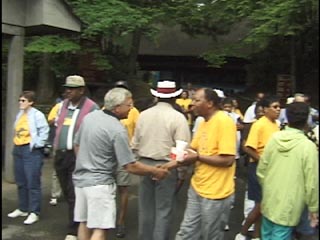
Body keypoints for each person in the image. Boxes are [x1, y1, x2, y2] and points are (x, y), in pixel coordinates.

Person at [72, 87, 169, 240]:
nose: (131, 108)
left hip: (81, 180)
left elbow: (76, 144)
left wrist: (85, 162)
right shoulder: (117, 129)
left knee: (83, 222)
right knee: (100, 228)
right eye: (129, 105)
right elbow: (130, 165)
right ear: (117, 108)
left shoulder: (89, 118)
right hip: (100, 184)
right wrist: (154, 171)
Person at [161, 88, 237, 240]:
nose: (192, 104)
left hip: (216, 192)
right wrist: (169, 165)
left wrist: (197, 157)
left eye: (196, 100)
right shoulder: (202, 122)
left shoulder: (224, 122)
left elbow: (228, 160)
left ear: (210, 103)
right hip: (197, 187)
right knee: (186, 232)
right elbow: (192, 150)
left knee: (211, 235)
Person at [132, 80, 191, 240]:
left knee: (145, 208)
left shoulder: (143, 115)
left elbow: (135, 144)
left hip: (144, 163)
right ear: (174, 97)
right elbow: (181, 150)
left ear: (157, 96)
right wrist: (181, 171)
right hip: (167, 166)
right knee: (163, 209)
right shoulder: (178, 118)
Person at [257, 102, 319, 240]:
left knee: (266, 234)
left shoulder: (274, 138)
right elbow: (312, 182)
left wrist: (267, 187)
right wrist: (314, 208)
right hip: (291, 204)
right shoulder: (307, 146)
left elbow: (261, 169)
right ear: (306, 119)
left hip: (269, 198)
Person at [53, 75, 100, 240]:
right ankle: (77, 220)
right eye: (67, 88)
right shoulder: (63, 105)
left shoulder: (91, 107)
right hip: (61, 154)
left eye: (72, 89)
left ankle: (73, 228)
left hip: (77, 156)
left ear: (81, 90)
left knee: (74, 192)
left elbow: (94, 132)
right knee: (66, 191)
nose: (68, 91)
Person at [235, 95, 281, 240]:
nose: (278, 110)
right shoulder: (259, 124)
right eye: (275, 107)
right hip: (258, 167)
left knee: (263, 205)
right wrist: (263, 161)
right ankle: (242, 233)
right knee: (261, 204)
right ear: (265, 109)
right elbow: (248, 148)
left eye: (279, 107)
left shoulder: (276, 124)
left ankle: (256, 235)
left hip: (271, 168)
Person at [8, 91, 49, 225]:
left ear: (31, 102)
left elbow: (44, 130)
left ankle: (34, 212)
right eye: (20, 100)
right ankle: (23, 208)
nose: (20, 102)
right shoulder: (20, 114)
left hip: (30, 149)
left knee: (32, 182)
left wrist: (38, 144)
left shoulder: (37, 115)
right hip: (18, 148)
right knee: (21, 181)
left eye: (23, 100)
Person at [113, 80, 140, 238]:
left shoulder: (133, 111)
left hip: (125, 153)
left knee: (123, 187)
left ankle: (121, 221)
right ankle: (107, 218)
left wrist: (134, 149)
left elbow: (139, 130)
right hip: (109, 153)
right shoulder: (106, 110)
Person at [47, 95, 65, 206]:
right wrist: (59, 119)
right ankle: (55, 194)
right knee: (56, 170)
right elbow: (50, 120)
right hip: (58, 143)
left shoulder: (82, 107)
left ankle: (73, 193)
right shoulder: (59, 106)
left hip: (75, 143)